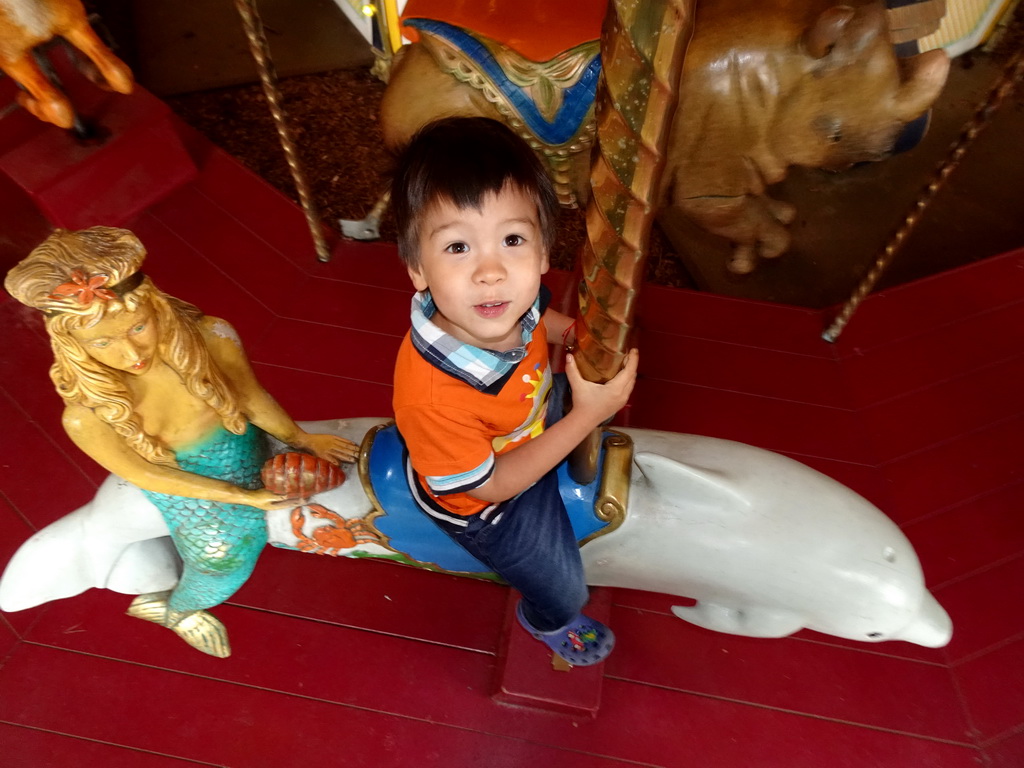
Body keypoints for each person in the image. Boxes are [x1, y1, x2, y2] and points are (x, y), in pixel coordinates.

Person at [4, 227, 358, 657]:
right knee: (223, 557)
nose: (130, 350)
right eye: (102, 342)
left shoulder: (211, 336)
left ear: (156, 307)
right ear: (73, 346)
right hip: (183, 477)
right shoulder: (85, 416)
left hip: (241, 437)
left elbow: (248, 395)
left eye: (138, 326)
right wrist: (240, 498)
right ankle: (179, 608)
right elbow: (146, 474)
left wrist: (299, 437)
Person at [390, 117, 639, 666]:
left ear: (544, 249)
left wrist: (572, 333)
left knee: (569, 400)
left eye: (512, 239)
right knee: (562, 582)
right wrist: (585, 418)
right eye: (457, 246)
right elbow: (495, 485)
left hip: (524, 415)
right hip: (487, 501)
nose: (491, 271)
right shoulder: (433, 395)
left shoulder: (501, 303)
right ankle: (548, 621)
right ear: (417, 269)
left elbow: (537, 319)